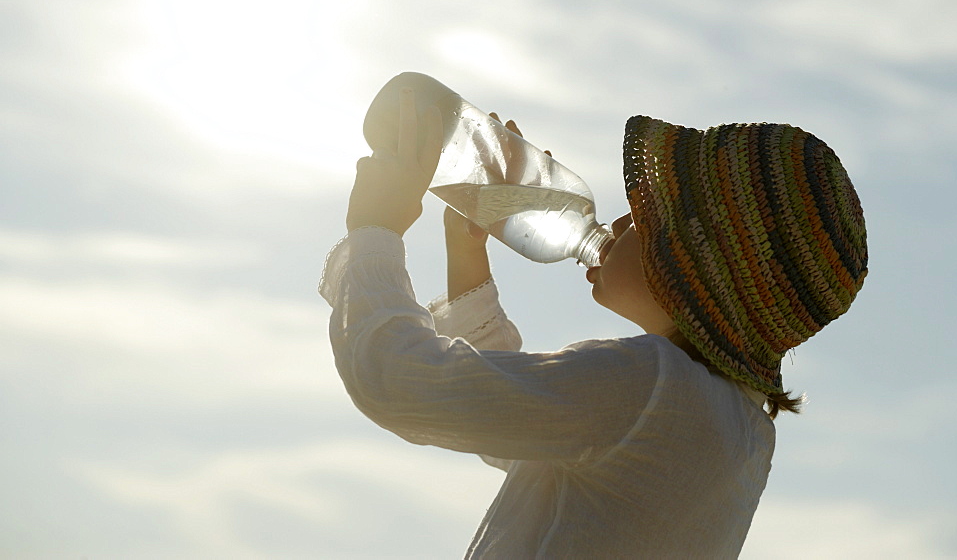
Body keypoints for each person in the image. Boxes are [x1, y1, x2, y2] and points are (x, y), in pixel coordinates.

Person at [318, 88, 868, 558]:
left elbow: (399, 381)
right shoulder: (739, 435)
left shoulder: (654, 388)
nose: (622, 218)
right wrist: (468, 249)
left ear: (692, 261)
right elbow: (513, 429)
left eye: (646, 213)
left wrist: (374, 228)